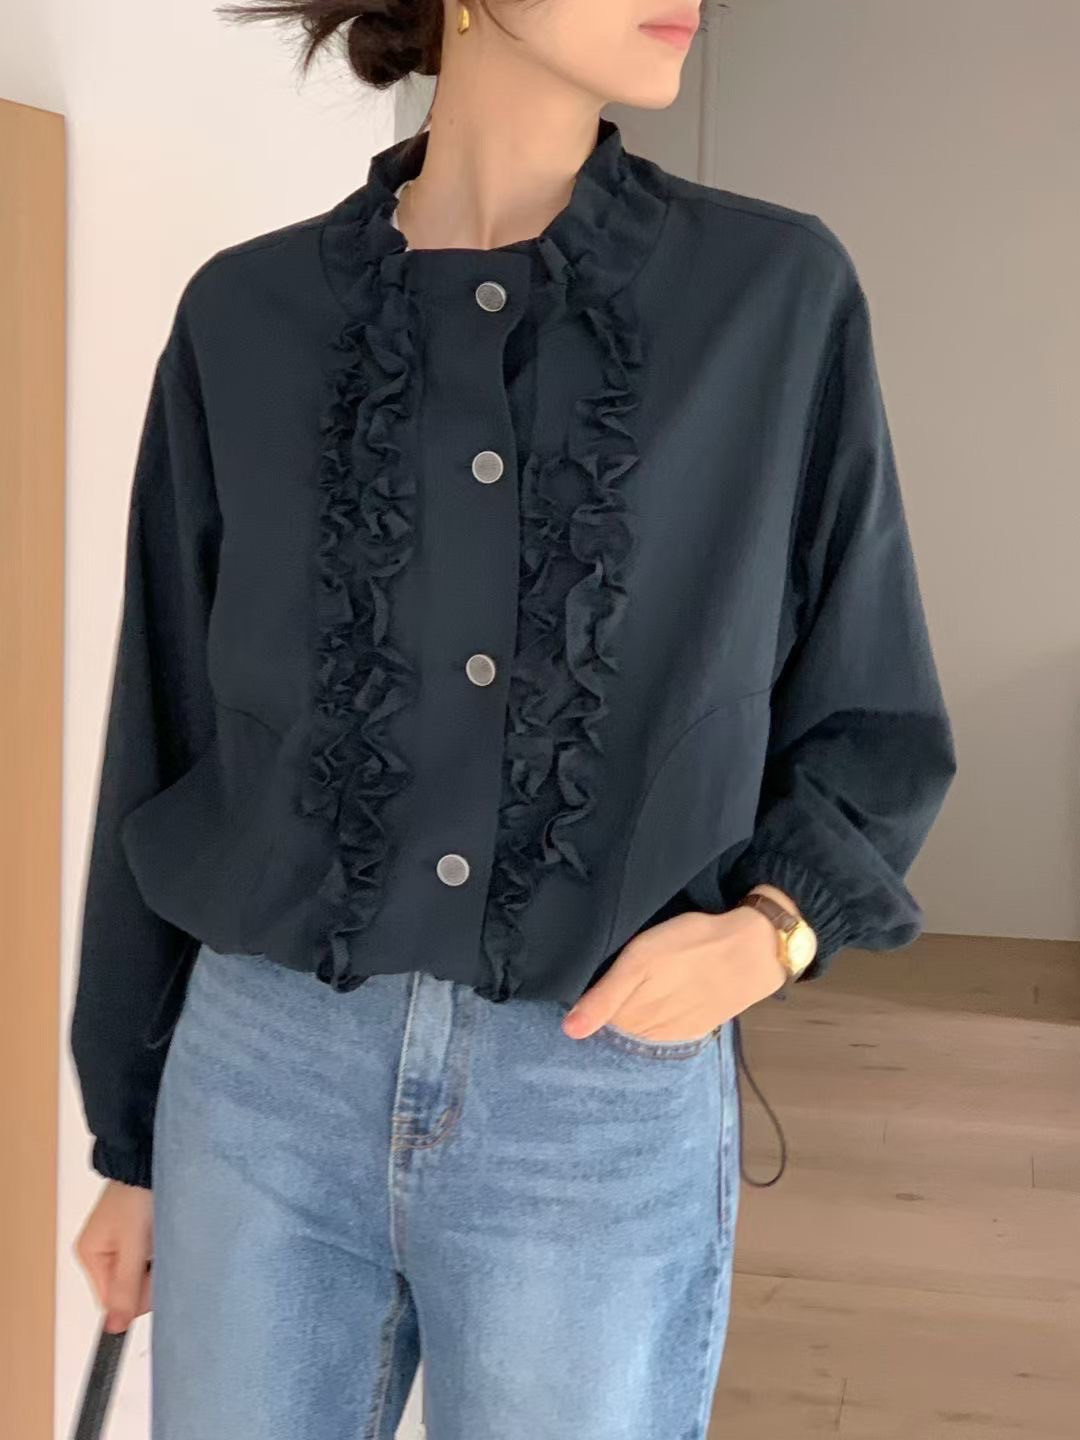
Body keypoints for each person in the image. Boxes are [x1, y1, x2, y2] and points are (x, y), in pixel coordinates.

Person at [70, 2, 957, 1436]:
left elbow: (871, 708)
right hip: (259, 1090)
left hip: (594, 1095)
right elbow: (167, 729)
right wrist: (133, 1138)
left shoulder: (773, 297)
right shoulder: (245, 314)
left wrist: (772, 931)